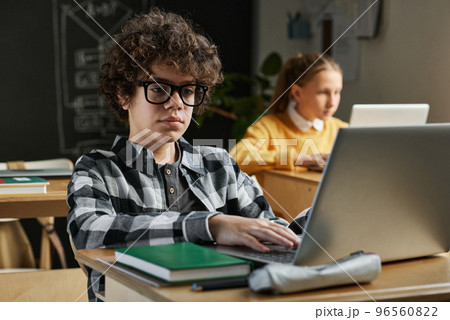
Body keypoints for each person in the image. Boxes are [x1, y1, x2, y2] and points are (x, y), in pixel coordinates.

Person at [66, 8, 299, 302]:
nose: (177, 104)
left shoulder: (219, 165)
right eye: (160, 89)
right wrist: (209, 225)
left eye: (188, 91)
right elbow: (90, 233)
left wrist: (316, 224)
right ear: (123, 95)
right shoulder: (97, 169)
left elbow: (269, 232)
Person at [230, 53, 348, 176]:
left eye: (337, 92)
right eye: (323, 93)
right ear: (297, 93)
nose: (332, 102)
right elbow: (237, 158)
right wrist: (298, 159)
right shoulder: (267, 127)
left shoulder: (343, 130)